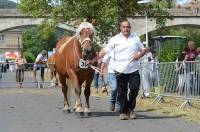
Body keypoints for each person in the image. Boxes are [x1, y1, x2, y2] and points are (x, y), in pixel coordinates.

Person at [89, 19, 149, 120]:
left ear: (130, 28)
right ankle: (123, 111)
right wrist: (93, 60)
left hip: (133, 69)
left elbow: (144, 50)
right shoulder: (115, 39)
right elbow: (104, 51)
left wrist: (139, 55)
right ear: (120, 28)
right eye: (124, 27)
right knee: (122, 92)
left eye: (128, 27)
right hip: (119, 70)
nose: (126, 29)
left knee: (134, 88)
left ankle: (130, 108)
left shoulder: (135, 38)